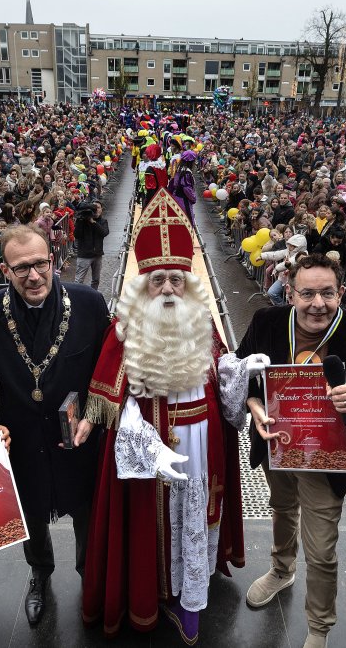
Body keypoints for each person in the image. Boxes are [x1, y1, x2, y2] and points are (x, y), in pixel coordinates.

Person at [82, 191, 249, 643]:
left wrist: (245, 375)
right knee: (154, 523)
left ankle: (191, 590)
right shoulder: (125, 328)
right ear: (143, 284)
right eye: (158, 280)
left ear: (190, 282)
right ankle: (154, 592)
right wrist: (141, 438)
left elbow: (223, 380)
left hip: (205, 445)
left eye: (177, 279)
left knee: (197, 518)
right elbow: (112, 400)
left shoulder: (205, 323)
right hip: (152, 449)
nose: (169, 289)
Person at [234, 253, 346, 648]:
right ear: (290, 292)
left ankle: (319, 625)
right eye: (307, 293)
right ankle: (281, 569)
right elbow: (241, 371)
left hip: (327, 455)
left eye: (327, 293)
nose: (317, 303)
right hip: (277, 444)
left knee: (322, 548)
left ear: (341, 292)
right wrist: (254, 405)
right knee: (282, 509)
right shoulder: (267, 322)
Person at [0, 223, 109, 626]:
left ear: (53, 260)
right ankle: (40, 574)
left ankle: (87, 575)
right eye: (21, 267)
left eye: (41, 264)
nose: (34, 275)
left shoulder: (90, 303)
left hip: (79, 433)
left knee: (84, 510)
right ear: (5, 270)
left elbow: (107, 371)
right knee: (28, 512)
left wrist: (95, 415)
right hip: (21, 436)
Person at [72, 200, 108, 291]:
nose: (96, 210)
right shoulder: (82, 220)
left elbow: (104, 233)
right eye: (94, 208)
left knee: (96, 280)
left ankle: (93, 295)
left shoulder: (103, 221)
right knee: (79, 280)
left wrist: (93, 222)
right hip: (84, 255)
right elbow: (77, 235)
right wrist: (80, 221)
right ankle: (76, 297)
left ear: (101, 210)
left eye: (98, 208)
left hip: (97, 255)